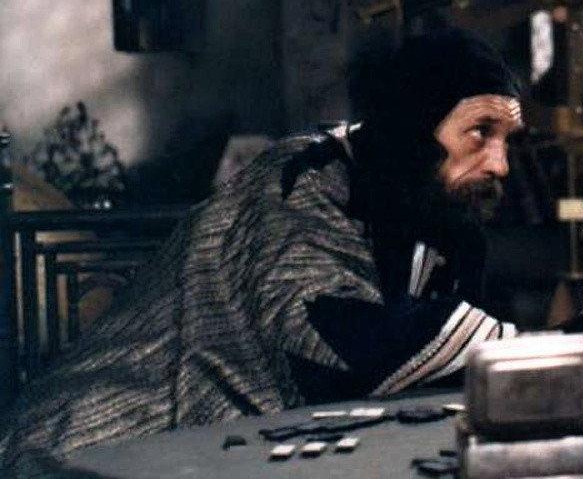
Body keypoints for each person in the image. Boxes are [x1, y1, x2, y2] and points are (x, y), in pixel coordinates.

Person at [0, 25, 525, 476]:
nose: (500, 164)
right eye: (480, 132)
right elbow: (350, 344)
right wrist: (547, 343)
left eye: (508, 138)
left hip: (244, 448)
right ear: (416, 128)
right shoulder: (302, 179)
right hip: (106, 441)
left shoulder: (437, 211)